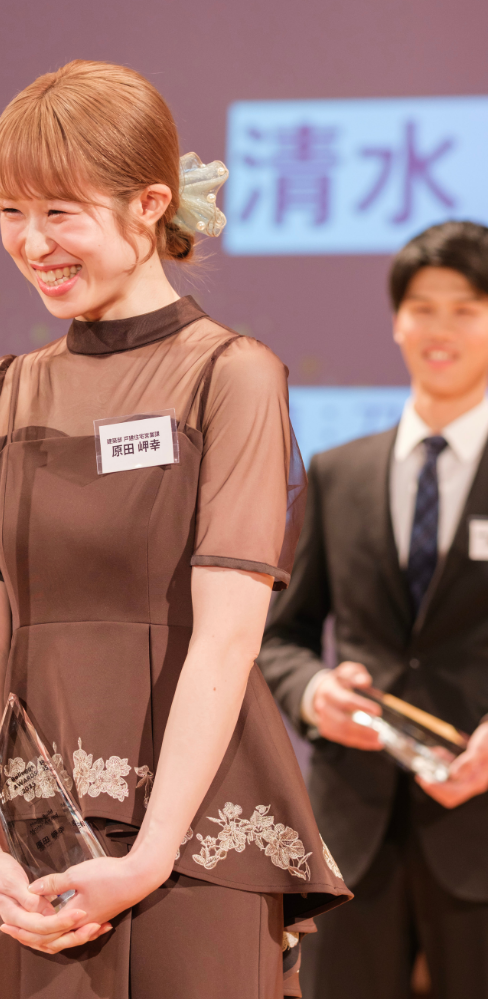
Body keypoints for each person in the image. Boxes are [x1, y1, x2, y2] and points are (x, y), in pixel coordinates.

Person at [0, 61, 349, 998]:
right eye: (11, 213)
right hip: (27, 838)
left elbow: (229, 636)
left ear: (149, 205)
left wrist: (150, 856)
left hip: (190, 835)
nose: (31, 243)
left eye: (59, 212)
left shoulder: (231, 375)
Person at [259, 221, 488, 997]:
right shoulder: (337, 473)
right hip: (353, 831)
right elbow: (279, 637)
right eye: (423, 308)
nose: (440, 329)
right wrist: (314, 692)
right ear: (397, 322)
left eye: (466, 309)